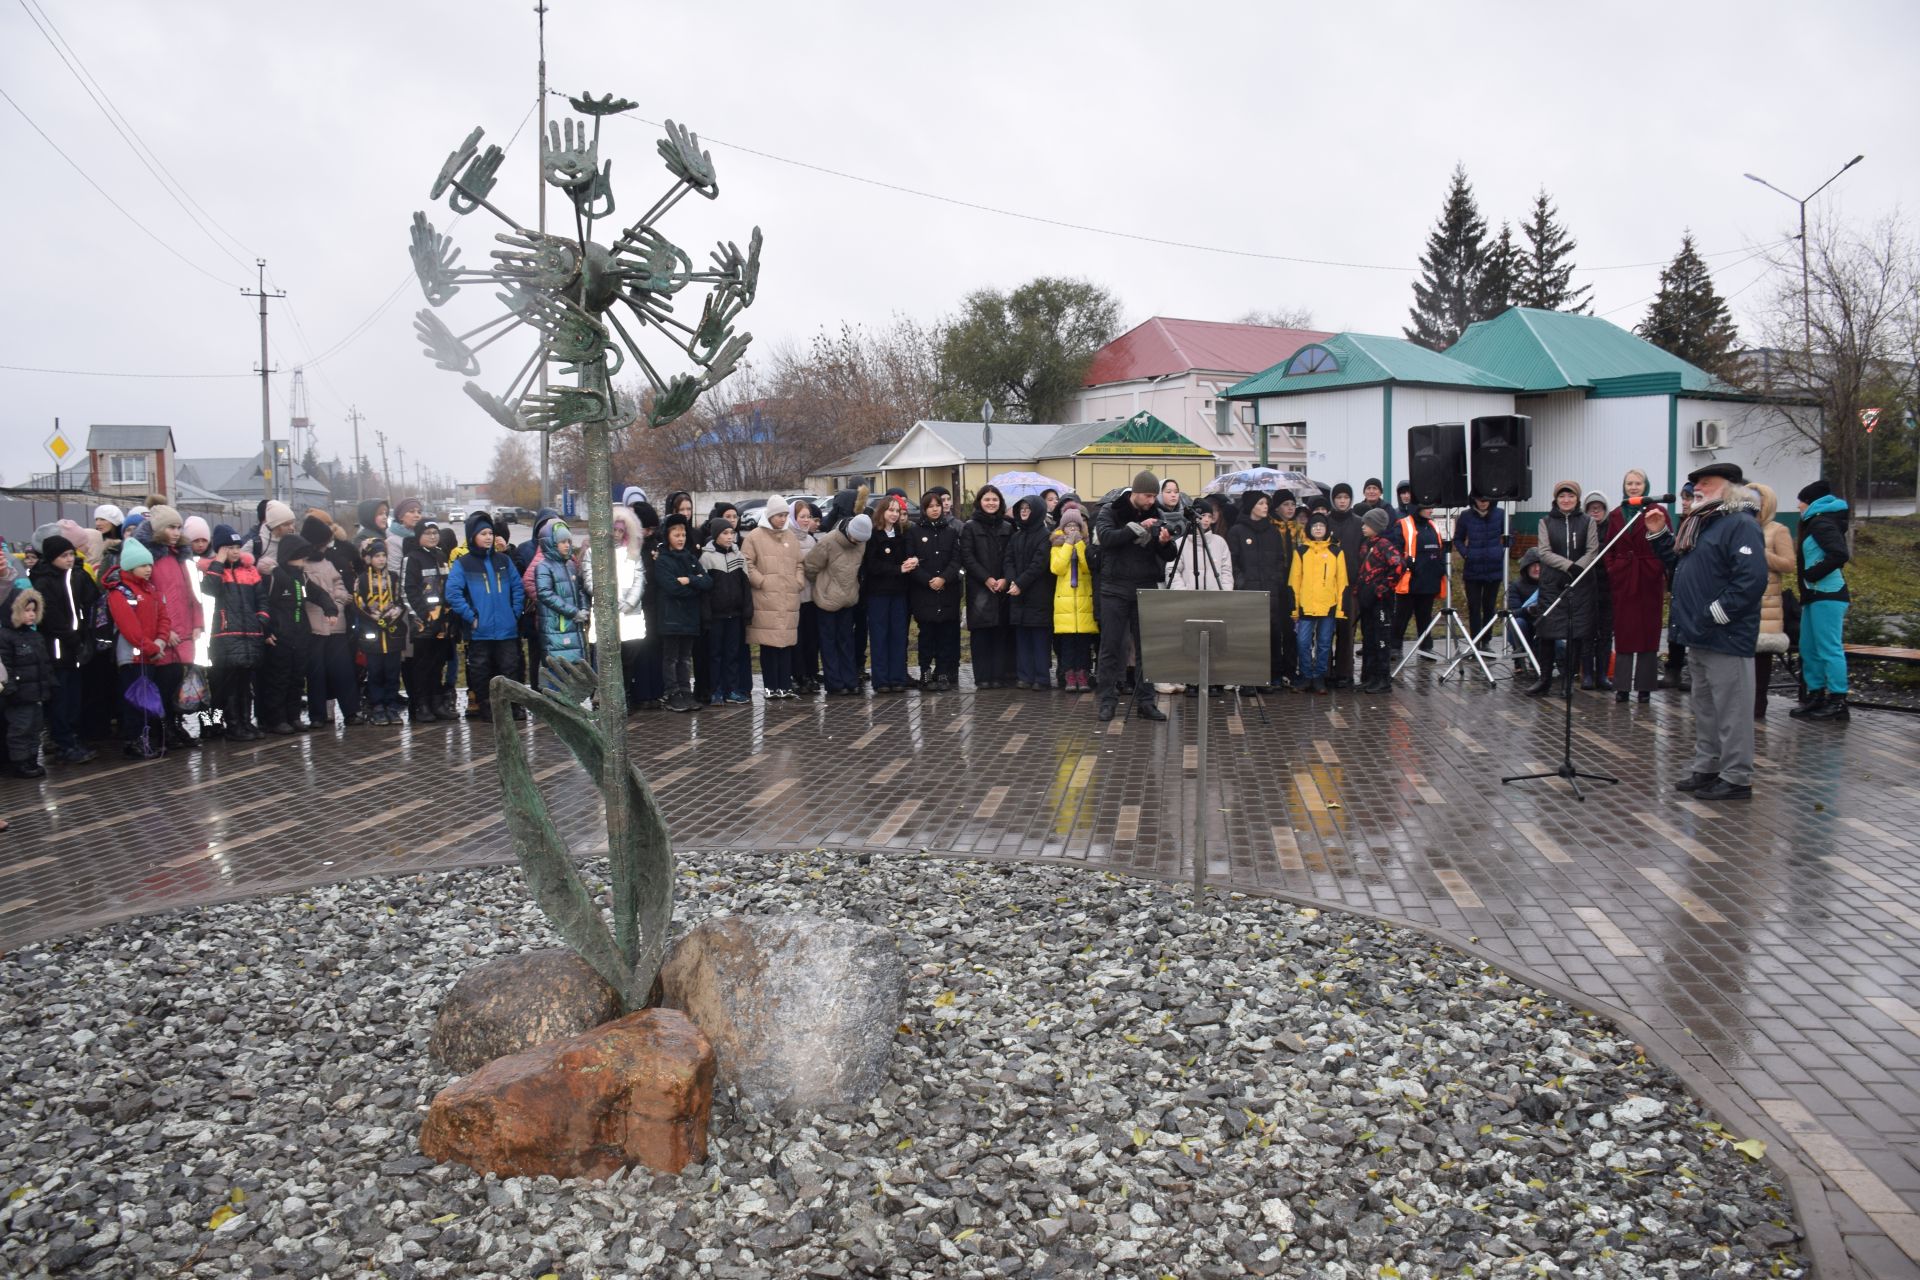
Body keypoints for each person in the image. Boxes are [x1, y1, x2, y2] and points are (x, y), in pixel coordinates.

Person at [1664, 462, 1767, 799]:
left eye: (1707, 483)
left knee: (1732, 710)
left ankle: (1737, 778)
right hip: (1699, 632)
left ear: (1731, 487)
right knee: (1705, 708)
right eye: (1696, 484)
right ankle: (1708, 767)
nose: (1698, 488)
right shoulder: (1701, 524)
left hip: (1725, 634)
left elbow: (1751, 578)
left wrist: (1718, 611)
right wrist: (1656, 537)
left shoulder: (1739, 523)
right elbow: (1684, 569)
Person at [1092, 471, 1178, 722]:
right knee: (1110, 647)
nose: (1152, 501)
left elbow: (1169, 554)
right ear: (1135, 492)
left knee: (1146, 649)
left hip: (1145, 586)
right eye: (1147, 496)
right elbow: (1107, 539)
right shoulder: (1112, 510)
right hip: (1114, 588)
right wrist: (1138, 528)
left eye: (1154, 496)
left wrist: (1164, 542)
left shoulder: (1157, 514)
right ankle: (1107, 701)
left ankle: (1146, 701)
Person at [444, 511, 524, 721]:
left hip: (506, 629)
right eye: (483, 533)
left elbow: (517, 587)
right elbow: (452, 593)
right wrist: (471, 617)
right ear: (472, 537)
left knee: (510, 667)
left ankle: (512, 705)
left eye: (490, 533)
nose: (489, 537)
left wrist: (514, 612)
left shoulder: (504, 561)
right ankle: (487, 706)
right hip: (480, 631)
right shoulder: (464, 564)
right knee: (481, 670)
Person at [1525, 482, 1601, 697]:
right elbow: (1545, 552)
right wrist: (1569, 566)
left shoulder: (1588, 522)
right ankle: (1545, 679)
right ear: (1556, 499)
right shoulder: (1545, 522)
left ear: (1577, 499)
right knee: (1547, 633)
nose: (1566, 500)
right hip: (1552, 584)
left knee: (1575, 634)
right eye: (1562, 496)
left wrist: (1580, 567)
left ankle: (1568, 681)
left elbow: (1593, 550)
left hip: (1581, 584)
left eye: (1570, 496)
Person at [30, 534, 100, 764]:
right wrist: (74, 641)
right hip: (59, 651)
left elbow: (91, 599)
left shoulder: (74, 577)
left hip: (75, 650)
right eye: (64, 556)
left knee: (74, 698)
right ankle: (63, 741)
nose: (70, 559)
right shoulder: (44, 582)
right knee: (61, 699)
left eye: (71, 554)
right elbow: (53, 619)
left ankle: (72, 738)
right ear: (52, 558)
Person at [102, 536, 173, 758]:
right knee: (135, 701)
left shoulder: (151, 590)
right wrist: (152, 646)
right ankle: (133, 740)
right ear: (130, 566)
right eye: (143, 565)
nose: (148, 569)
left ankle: (146, 738)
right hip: (133, 657)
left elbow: (164, 617)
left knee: (148, 700)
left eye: (149, 564)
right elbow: (129, 628)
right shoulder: (120, 592)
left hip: (151, 654)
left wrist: (160, 640)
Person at [1603, 469, 1669, 704]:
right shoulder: (1617, 514)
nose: (1633, 487)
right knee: (1624, 632)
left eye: (1638, 483)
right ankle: (1621, 686)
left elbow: (1666, 544)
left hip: (1648, 578)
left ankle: (1645, 687)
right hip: (1624, 578)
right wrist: (1614, 569)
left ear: (1646, 485)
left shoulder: (1657, 512)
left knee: (1648, 633)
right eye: (1629, 483)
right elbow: (1608, 547)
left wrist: (1656, 568)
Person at [198, 525, 269, 740]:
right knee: (222, 686)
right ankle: (225, 725)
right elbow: (210, 590)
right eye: (229, 547)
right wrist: (219, 561)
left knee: (244, 685)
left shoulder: (249, 570)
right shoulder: (210, 570)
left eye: (237, 546)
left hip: (249, 636)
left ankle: (246, 722)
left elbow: (262, 600)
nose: (235, 551)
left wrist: (261, 622)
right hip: (222, 638)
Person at [1792, 479, 1852, 722]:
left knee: (1829, 648)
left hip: (1827, 593)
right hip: (1813, 595)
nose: (1798, 507)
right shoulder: (1815, 521)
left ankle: (1838, 701)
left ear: (1812, 503)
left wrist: (1812, 573)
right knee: (1809, 647)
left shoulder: (1822, 522)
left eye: (1801, 502)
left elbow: (1839, 554)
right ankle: (1816, 695)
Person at [742, 495, 805, 698]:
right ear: (770, 515)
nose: (782, 518)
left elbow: (799, 564)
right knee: (769, 645)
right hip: (765, 599)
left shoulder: (791, 537)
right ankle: (771, 686)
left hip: (788, 598)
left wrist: (798, 582)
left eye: (785, 515)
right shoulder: (754, 537)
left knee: (786, 644)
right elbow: (746, 564)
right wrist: (762, 582)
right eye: (779, 515)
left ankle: (785, 685)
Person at [591, 505, 652, 712]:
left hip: (629, 614)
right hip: (605, 613)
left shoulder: (632, 554)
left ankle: (625, 695)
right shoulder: (595, 552)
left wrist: (628, 603)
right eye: (614, 530)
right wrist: (606, 600)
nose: (616, 534)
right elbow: (591, 579)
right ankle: (608, 699)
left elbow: (639, 579)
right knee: (607, 659)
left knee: (628, 658)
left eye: (620, 531)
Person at [803, 512, 870, 696]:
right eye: (855, 538)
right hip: (826, 601)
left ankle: (850, 680)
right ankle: (834, 683)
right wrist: (823, 585)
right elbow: (810, 566)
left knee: (846, 642)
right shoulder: (828, 541)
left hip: (848, 599)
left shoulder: (861, 543)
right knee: (829, 643)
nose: (857, 542)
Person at [651, 513, 711, 712]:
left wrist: (690, 580)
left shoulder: (690, 558)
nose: (681, 539)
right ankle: (672, 692)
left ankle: (686, 690)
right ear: (668, 536)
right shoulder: (662, 561)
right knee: (671, 658)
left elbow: (707, 581)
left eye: (683, 535)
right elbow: (671, 587)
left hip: (689, 618)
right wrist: (694, 587)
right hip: (670, 619)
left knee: (685, 658)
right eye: (676, 535)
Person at [908, 492, 964, 692]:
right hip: (924, 593)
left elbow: (956, 560)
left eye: (938, 505)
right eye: (930, 506)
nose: (935, 509)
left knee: (945, 636)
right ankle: (925, 671)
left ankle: (942, 671)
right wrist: (927, 580)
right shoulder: (914, 532)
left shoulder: (950, 532)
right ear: (924, 509)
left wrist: (944, 578)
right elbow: (911, 561)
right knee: (926, 635)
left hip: (947, 592)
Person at [959, 485, 1014, 689]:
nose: (991, 503)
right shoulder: (970, 527)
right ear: (979, 502)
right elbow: (967, 557)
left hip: (1002, 588)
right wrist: (986, 578)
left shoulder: (1008, 527)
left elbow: (1011, 556)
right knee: (981, 635)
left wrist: (1005, 579)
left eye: (995, 499)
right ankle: (982, 677)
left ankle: (998, 675)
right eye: (987, 499)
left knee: (1000, 633)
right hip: (979, 588)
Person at [258, 533, 314, 734]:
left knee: (297, 678)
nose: (303, 561)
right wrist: (267, 630)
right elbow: (264, 604)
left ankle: (293, 715)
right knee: (278, 679)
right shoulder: (274, 576)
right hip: (279, 636)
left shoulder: (302, 577)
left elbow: (312, 593)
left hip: (299, 634)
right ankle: (275, 718)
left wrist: (329, 607)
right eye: (301, 556)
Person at [1289, 509, 1347, 694]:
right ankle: (1306, 675)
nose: (1318, 529)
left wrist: (1339, 608)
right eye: (1315, 526)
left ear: (1327, 529)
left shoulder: (1336, 551)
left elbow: (1341, 581)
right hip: (1306, 605)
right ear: (1309, 529)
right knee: (1303, 642)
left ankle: (1319, 677)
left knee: (1324, 643)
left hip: (1328, 605)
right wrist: (1294, 608)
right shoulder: (1301, 551)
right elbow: (1294, 581)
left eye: (1322, 525)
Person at [862, 496, 915, 694]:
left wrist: (911, 563)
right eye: (890, 510)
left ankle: (897, 677)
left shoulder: (901, 534)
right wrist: (897, 569)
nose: (894, 514)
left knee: (899, 635)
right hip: (878, 594)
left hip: (899, 593)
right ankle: (881, 679)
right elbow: (872, 565)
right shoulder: (873, 535)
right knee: (879, 636)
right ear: (882, 511)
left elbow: (905, 559)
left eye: (897, 511)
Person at [1749, 483, 1793, 721]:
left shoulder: (1778, 530)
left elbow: (1788, 564)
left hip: (1768, 606)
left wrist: (1761, 553)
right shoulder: (1741, 527)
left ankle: (1758, 707)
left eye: (1758, 500)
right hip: (1744, 602)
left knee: (1760, 660)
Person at [1004, 493, 1057, 690]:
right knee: (1022, 637)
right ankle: (1025, 676)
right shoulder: (1016, 536)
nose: (1024, 511)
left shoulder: (1045, 535)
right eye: (1021, 508)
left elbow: (1039, 564)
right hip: (1017, 596)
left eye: (1028, 508)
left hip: (1038, 595)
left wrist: (1020, 583)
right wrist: (1011, 580)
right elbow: (1008, 559)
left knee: (1039, 639)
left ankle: (1042, 677)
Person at [402, 521, 453, 721]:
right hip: (422, 623)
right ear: (419, 535)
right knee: (422, 665)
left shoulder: (441, 556)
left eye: (435, 533)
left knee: (438, 664)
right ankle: (421, 705)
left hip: (443, 623)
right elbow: (408, 591)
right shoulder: (412, 558)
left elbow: (448, 586)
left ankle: (437, 702)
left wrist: (448, 614)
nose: (432, 536)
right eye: (428, 533)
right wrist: (424, 616)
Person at [699, 520, 753, 704]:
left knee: (732, 654)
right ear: (716, 535)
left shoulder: (739, 556)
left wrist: (747, 611)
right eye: (725, 533)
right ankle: (716, 690)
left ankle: (732, 689)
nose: (730, 536)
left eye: (732, 532)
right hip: (716, 616)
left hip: (735, 615)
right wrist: (706, 616)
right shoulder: (706, 558)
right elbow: (704, 593)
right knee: (715, 654)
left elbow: (745, 587)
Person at [0, 587, 52, 777]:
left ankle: (31, 758)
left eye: (33, 611)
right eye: (26, 610)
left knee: (35, 727)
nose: (31, 615)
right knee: (20, 729)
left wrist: (48, 685)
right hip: (18, 694)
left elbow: (44, 664)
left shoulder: (34, 636)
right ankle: (20, 762)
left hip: (35, 693)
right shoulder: (5, 637)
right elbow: (6, 666)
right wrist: (11, 688)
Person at [1355, 508, 1407, 693]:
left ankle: (1383, 679)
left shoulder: (1385, 545)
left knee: (1381, 639)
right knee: (1368, 638)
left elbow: (1399, 565)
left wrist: (1383, 587)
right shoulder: (1367, 544)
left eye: (1367, 524)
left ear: (1376, 526)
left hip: (1381, 601)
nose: (1363, 527)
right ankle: (1369, 677)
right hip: (1367, 600)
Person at [532, 520, 589, 689]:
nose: (567, 545)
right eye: (562, 542)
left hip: (573, 626)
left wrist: (584, 608)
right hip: (556, 628)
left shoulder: (570, 565)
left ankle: (570, 706)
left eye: (569, 542)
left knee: (572, 667)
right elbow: (545, 593)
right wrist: (573, 611)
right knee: (556, 669)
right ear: (550, 543)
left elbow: (580, 589)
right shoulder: (543, 567)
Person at [1048, 506, 1096, 691]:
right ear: (1062, 528)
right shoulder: (1057, 545)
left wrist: (1080, 546)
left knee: (1083, 644)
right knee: (1067, 644)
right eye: (1068, 526)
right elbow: (1057, 568)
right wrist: (1068, 545)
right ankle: (1069, 675)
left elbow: (1087, 568)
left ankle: (1083, 675)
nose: (1072, 529)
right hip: (1065, 603)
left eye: (1076, 526)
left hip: (1083, 601)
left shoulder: (1086, 544)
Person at [1392, 503, 1444, 660]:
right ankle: (1394, 647)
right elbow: (1396, 550)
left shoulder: (1433, 526)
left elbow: (1439, 549)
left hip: (1429, 578)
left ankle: (1426, 647)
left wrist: (1440, 567)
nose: (1431, 509)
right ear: (1418, 508)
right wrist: (1410, 562)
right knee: (1402, 616)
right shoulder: (1403, 524)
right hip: (1410, 579)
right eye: (1428, 507)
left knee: (1425, 616)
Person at [1453, 491, 1506, 646]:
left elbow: (1510, 536)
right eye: (1479, 499)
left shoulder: (1501, 514)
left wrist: (1500, 552)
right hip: (1473, 569)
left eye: (1486, 499)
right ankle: (1475, 641)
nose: (1483, 502)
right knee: (1474, 607)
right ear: (1473, 499)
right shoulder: (1466, 516)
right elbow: (1458, 538)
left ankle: (1486, 641)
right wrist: (1466, 554)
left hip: (1493, 568)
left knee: (1489, 607)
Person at [1325, 484, 1364, 687]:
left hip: (1349, 584)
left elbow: (1362, 551)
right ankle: (1326, 671)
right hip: (1326, 585)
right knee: (1326, 629)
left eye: (1346, 497)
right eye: (1338, 497)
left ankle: (1344, 673)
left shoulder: (1358, 523)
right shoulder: (1326, 522)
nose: (1342, 501)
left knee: (1347, 630)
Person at [1577, 491, 1616, 691]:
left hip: (1607, 588)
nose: (1595, 510)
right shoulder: (1582, 528)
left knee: (1606, 633)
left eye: (1599, 507)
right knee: (1587, 632)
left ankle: (1602, 674)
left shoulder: (1613, 528)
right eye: (1591, 507)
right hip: (1586, 588)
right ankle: (1587, 674)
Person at [1269, 489, 1305, 685]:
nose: (1290, 508)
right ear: (1277, 507)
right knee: (1276, 628)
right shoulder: (1270, 526)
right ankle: (1275, 669)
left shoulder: (1299, 529)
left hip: (1295, 584)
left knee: (1292, 629)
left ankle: (1291, 669)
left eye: (1292, 504)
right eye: (1285, 504)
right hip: (1277, 583)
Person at [790, 501, 823, 695]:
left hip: (811, 596)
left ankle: (811, 673)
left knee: (811, 638)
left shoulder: (811, 540)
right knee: (798, 639)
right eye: (801, 516)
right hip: (795, 597)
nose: (805, 520)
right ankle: (798, 674)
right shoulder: (787, 538)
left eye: (808, 516)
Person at [1507, 548, 1544, 662]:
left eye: (1539, 565)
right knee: (1518, 623)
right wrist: (1528, 610)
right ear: (1526, 567)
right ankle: (1519, 658)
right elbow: (1513, 613)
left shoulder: (1550, 584)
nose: (1537, 569)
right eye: (1533, 565)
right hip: (1525, 625)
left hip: (1545, 625)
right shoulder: (1516, 586)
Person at [248, 501, 297, 572]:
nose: (292, 528)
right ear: (275, 526)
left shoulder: (294, 543)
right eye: (286, 525)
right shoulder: (257, 543)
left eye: (292, 523)